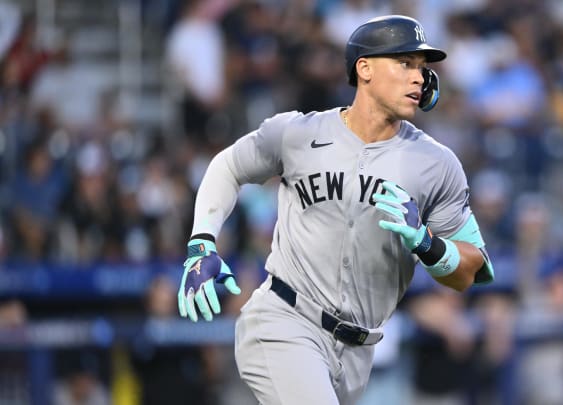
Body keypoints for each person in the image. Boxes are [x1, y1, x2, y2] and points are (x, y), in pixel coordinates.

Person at [176, 15, 495, 405]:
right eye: (405, 63)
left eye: (422, 68)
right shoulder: (298, 133)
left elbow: (470, 269)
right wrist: (202, 241)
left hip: (359, 351)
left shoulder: (436, 163)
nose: (419, 78)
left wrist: (430, 245)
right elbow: (228, 166)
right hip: (285, 321)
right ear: (365, 69)